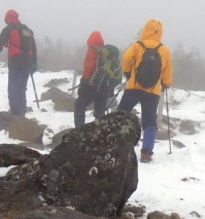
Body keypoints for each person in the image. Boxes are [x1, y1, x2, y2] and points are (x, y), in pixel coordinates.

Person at [118, 19, 172, 162]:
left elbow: (125, 58)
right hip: (153, 91)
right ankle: (147, 152)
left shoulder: (138, 46)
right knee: (149, 121)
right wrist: (166, 83)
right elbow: (167, 71)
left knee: (121, 113)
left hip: (134, 87)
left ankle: (116, 141)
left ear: (145, 30)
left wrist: (128, 73)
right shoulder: (164, 50)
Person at [0, 9, 37, 116]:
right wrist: (34, 64)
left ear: (7, 19)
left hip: (16, 61)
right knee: (22, 88)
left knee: (13, 89)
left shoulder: (8, 29)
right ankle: (22, 113)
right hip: (28, 61)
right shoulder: (27, 30)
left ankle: (16, 116)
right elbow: (34, 48)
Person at [74, 31, 114, 128]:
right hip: (105, 88)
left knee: (79, 106)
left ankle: (79, 131)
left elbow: (89, 68)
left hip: (92, 86)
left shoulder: (92, 50)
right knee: (100, 114)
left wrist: (83, 82)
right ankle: (99, 135)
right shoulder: (106, 52)